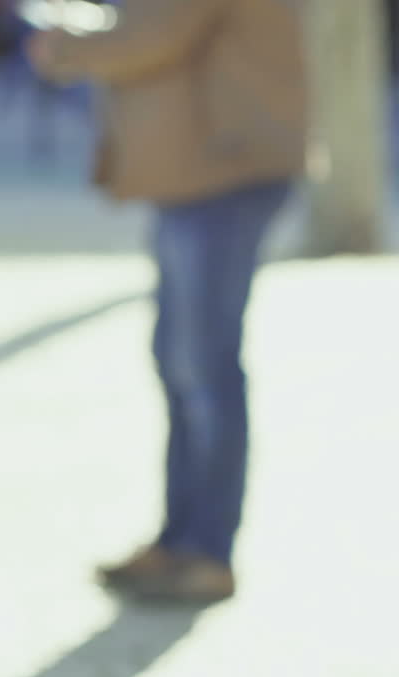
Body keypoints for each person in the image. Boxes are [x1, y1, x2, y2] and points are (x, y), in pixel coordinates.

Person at [28, 0, 306, 603]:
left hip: (222, 171)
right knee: (184, 364)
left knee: (203, 367)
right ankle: (181, 540)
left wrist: (64, 46)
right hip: (200, 172)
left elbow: (155, 35)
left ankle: (207, 550)